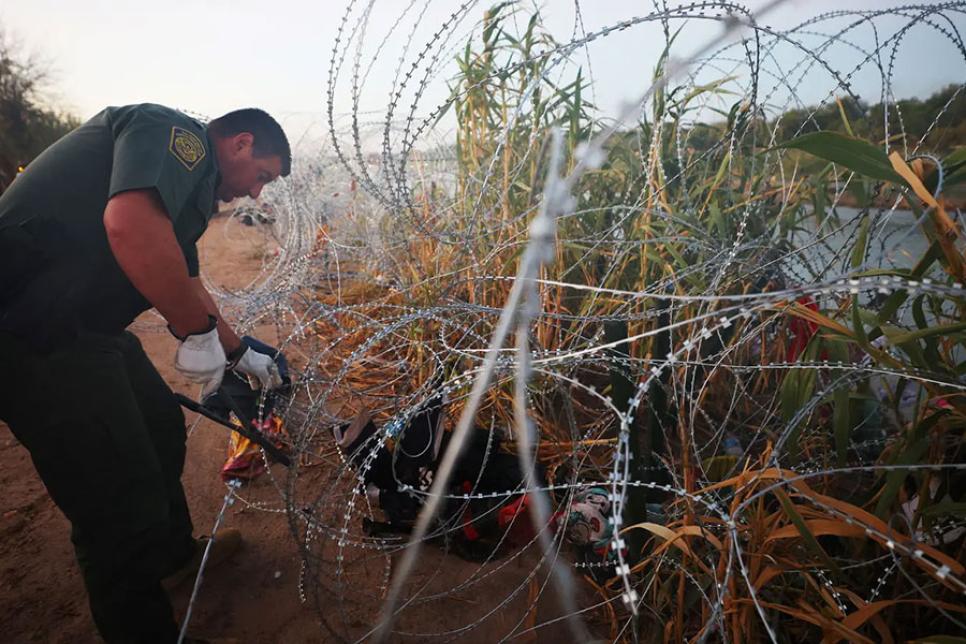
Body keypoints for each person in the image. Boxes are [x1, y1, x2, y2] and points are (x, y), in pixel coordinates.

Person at [0, 103, 291, 643]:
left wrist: (238, 352)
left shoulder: (188, 189)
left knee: (158, 426)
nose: (256, 194)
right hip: (32, 337)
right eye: (262, 176)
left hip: (87, 329)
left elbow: (187, 283)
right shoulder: (174, 134)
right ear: (241, 144)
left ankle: (171, 557)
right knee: (116, 502)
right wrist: (194, 333)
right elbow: (129, 227)